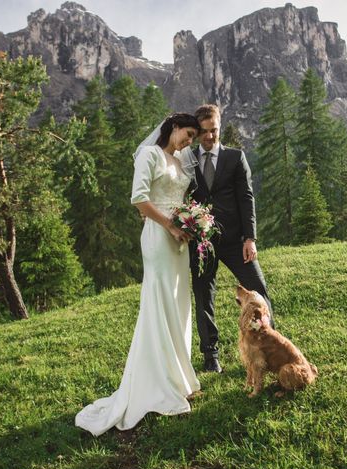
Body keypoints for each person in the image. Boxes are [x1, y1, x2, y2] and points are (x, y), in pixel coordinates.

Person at [75, 113, 202, 436]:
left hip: (179, 239)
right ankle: (155, 382)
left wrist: (190, 221)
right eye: (187, 135)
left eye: (193, 139)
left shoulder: (178, 160)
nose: (189, 142)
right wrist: (171, 225)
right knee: (159, 303)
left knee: (178, 304)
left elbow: (180, 197)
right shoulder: (149, 155)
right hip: (159, 237)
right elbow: (139, 199)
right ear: (174, 127)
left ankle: (178, 377)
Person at [190, 104, 273, 373]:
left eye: (213, 130)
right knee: (204, 297)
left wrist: (250, 238)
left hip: (237, 241)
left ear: (219, 126)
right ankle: (210, 356)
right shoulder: (188, 161)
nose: (209, 137)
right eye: (203, 132)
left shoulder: (236, 157)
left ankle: (269, 344)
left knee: (258, 290)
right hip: (203, 244)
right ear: (197, 132)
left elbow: (246, 198)